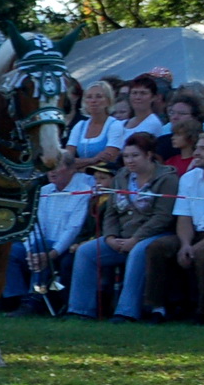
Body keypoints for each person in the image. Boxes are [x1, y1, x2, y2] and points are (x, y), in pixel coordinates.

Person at [67, 133, 179, 322]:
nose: (129, 161)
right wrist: (110, 236)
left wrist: (135, 239)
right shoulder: (121, 177)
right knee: (86, 251)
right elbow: (110, 212)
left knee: (137, 253)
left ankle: (126, 312)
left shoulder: (167, 179)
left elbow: (163, 216)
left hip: (153, 236)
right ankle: (80, 310)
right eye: (126, 156)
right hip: (120, 237)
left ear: (149, 155)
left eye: (135, 156)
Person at [142, 131, 204, 324]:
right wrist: (185, 244)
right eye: (197, 148)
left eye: (203, 149)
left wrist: (197, 247)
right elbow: (183, 216)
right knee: (158, 247)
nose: (197, 153)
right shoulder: (188, 179)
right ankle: (157, 308)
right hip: (193, 233)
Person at [2, 152, 92, 305]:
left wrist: (51, 253)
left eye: (57, 166)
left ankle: (34, 299)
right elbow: (35, 224)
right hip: (39, 246)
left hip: (64, 247)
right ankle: (13, 299)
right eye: (49, 167)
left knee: (39, 246)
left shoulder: (83, 192)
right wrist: (29, 251)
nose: (52, 171)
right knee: (10, 250)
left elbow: (73, 229)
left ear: (71, 169)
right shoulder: (44, 191)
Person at [63, 82, 123, 172]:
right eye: (89, 97)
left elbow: (108, 160)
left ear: (108, 101)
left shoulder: (115, 125)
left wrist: (79, 166)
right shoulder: (80, 126)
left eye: (99, 96)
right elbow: (66, 160)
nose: (93, 101)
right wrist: (93, 160)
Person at [117, 76, 165, 142]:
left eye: (143, 93)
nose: (138, 97)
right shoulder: (124, 123)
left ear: (153, 97)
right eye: (134, 93)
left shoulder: (153, 124)